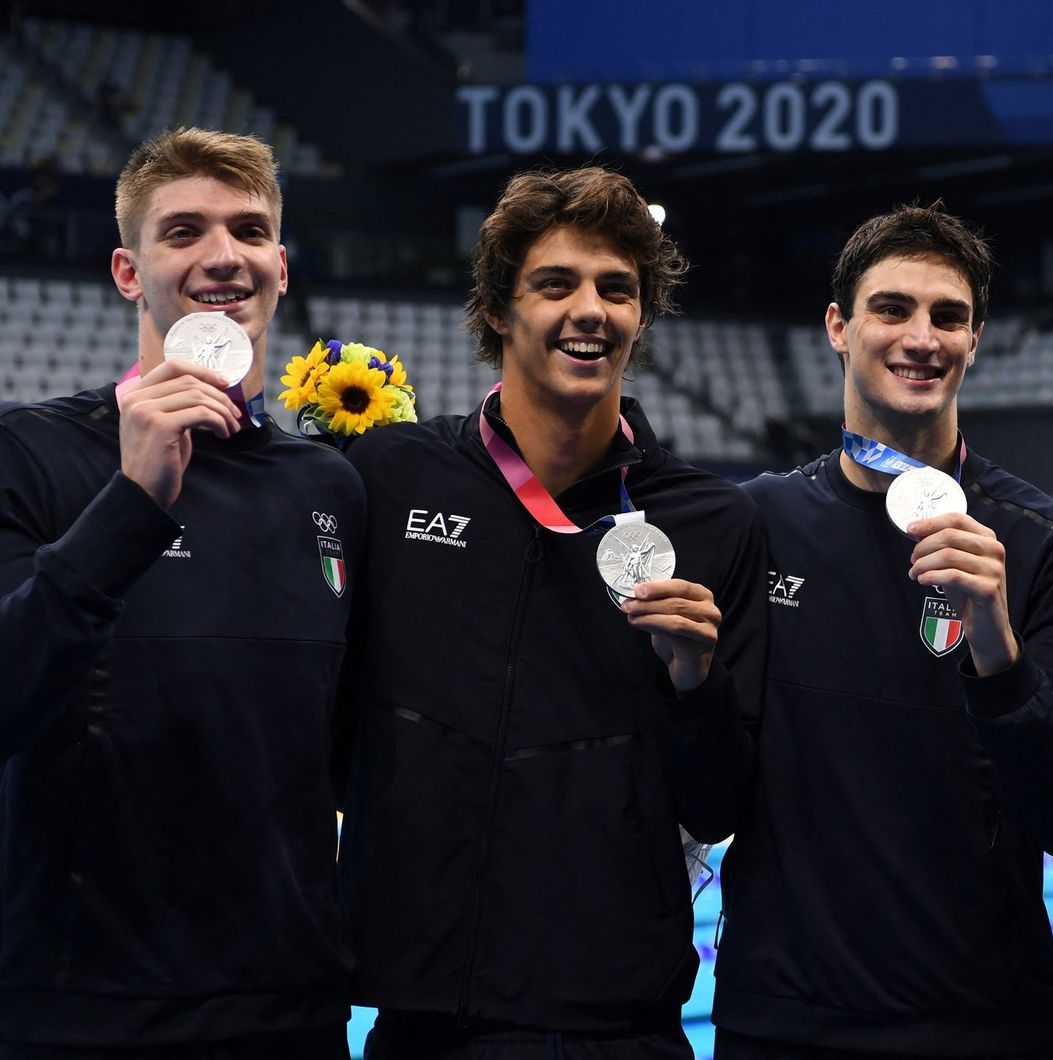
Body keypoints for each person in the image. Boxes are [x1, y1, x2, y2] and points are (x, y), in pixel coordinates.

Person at [336, 166, 766, 1059]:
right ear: (500, 309)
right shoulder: (394, 478)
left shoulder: (711, 523)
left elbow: (722, 802)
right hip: (423, 1020)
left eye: (618, 289)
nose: (591, 310)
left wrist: (696, 686)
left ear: (641, 316)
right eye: (555, 284)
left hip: (618, 1024)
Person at [711, 203, 1053, 1058]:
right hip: (785, 1022)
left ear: (975, 340)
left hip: (981, 1023)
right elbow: (708, 789)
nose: (921, 337)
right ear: (838, 326)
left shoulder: (1046, 544)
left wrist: (999, 654)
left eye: (949, 316)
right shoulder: (758, 522)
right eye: (892, 309)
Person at [0, 128, 362, 1057]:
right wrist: (131, 503)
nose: (223, 256)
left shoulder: (327, 486)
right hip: (79, 1012)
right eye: (184, 231)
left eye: (249, 230)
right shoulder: (28, 455)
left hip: (292, 1012)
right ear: (129, 270)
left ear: (279, 265)